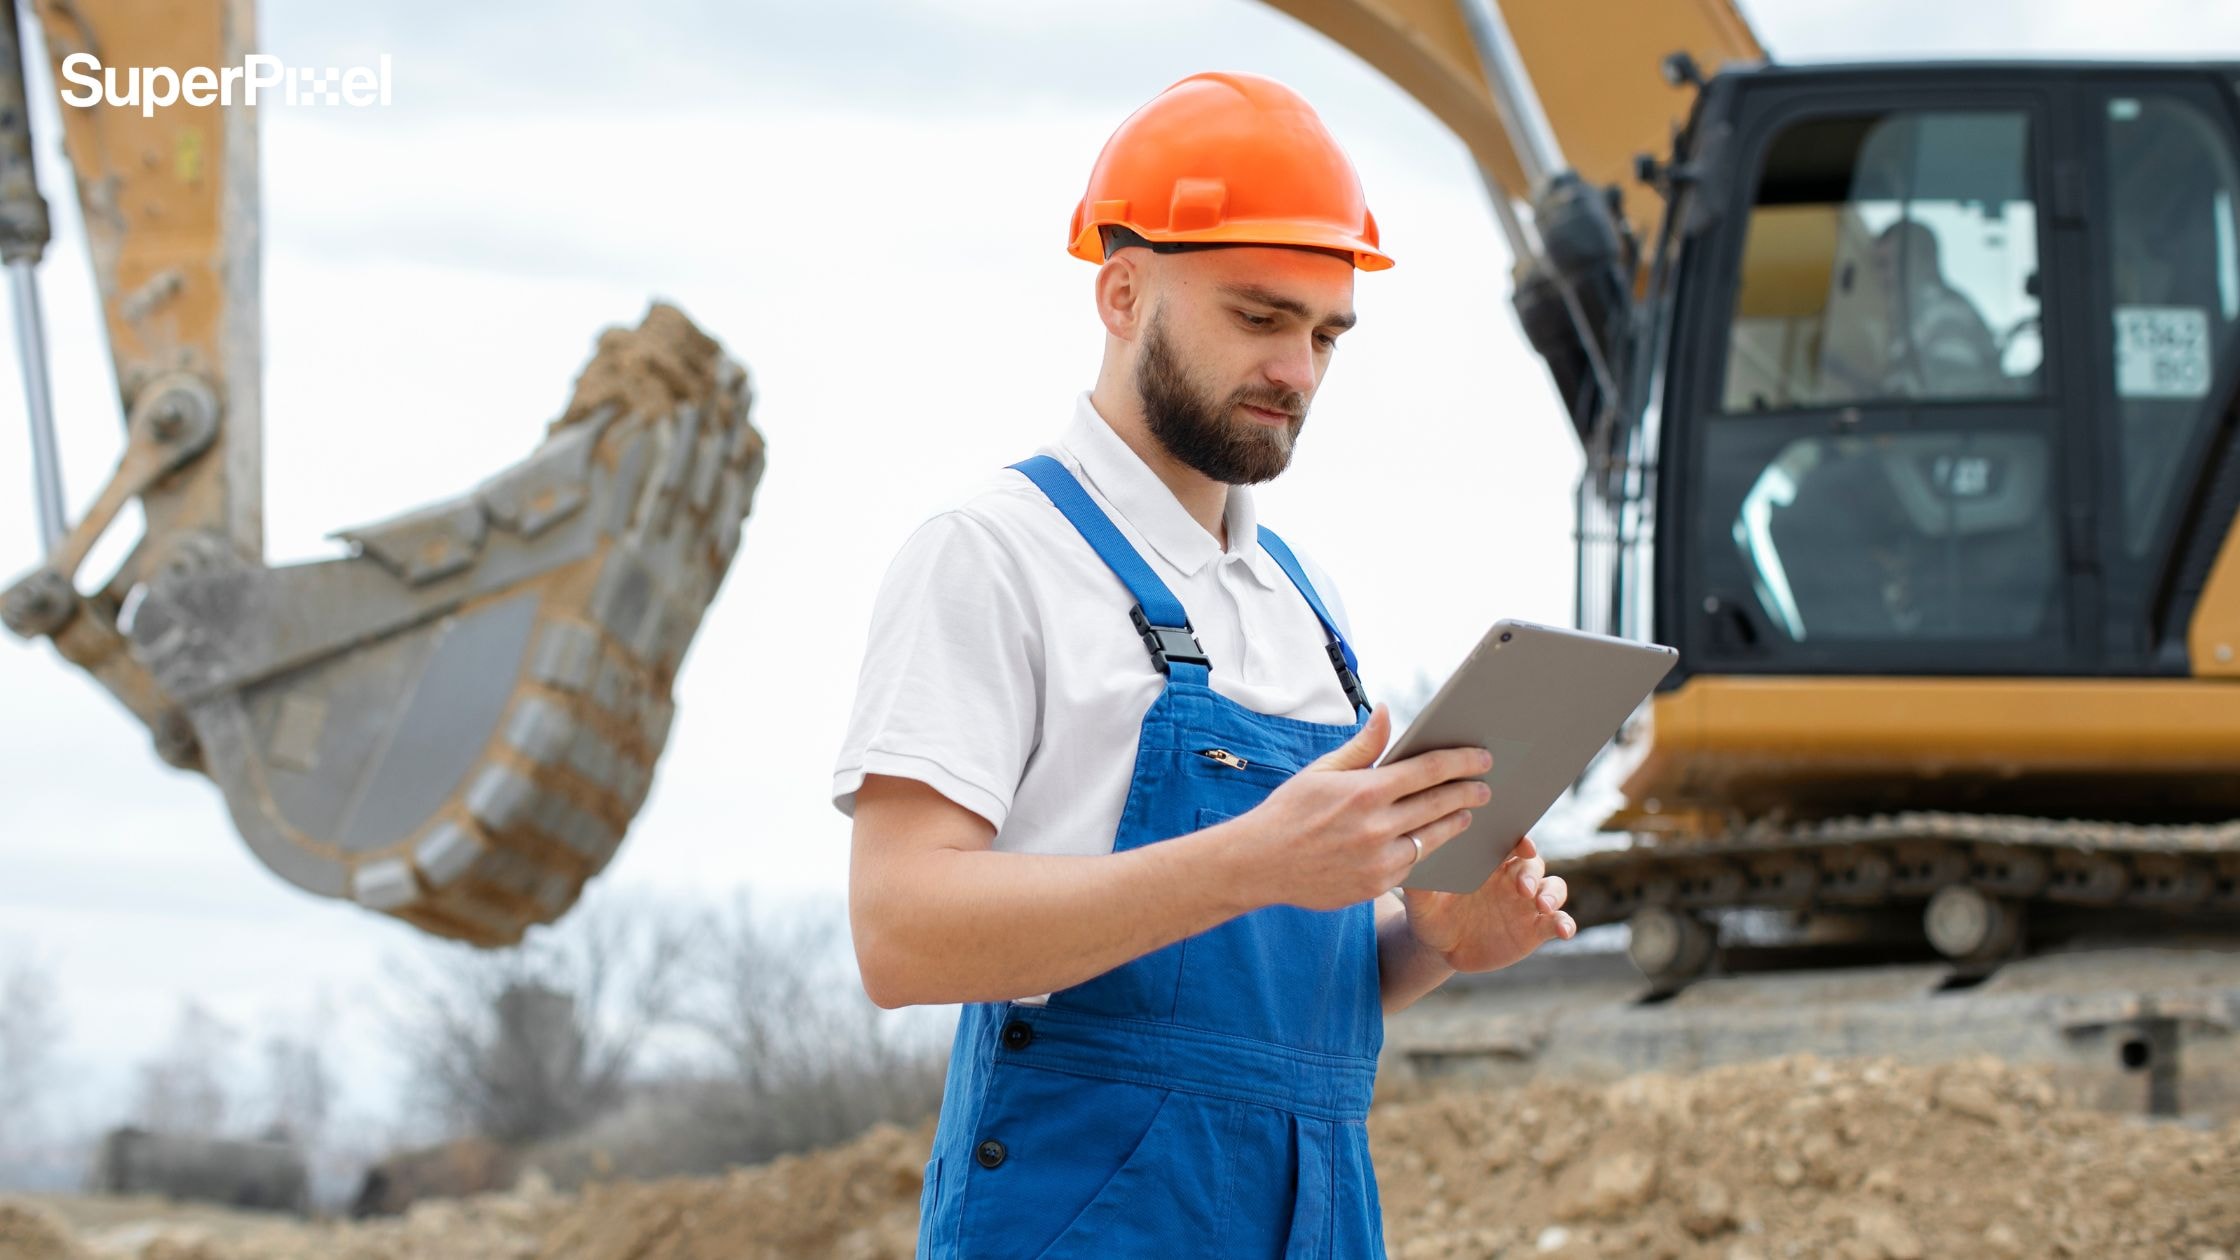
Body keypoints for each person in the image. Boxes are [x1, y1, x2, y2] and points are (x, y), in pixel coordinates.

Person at [832, 71, 1576, 1258]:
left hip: (1314, 1211)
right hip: (1092, 1214)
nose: (1299, 370)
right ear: (1122, 293)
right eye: (1258, 317)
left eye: (1325, 333)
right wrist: (1253, 859)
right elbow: (899, 931)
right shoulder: (990, 555)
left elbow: (1259, 1003)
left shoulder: (1299, 601)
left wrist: (1432, 944)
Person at [1872, 219, 2009, 398]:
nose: (1883, 276)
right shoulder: (1915, 317)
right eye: (1879, 266)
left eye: (1890, 264)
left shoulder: (1946, 314)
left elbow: (1949, 400)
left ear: (1924, 261)